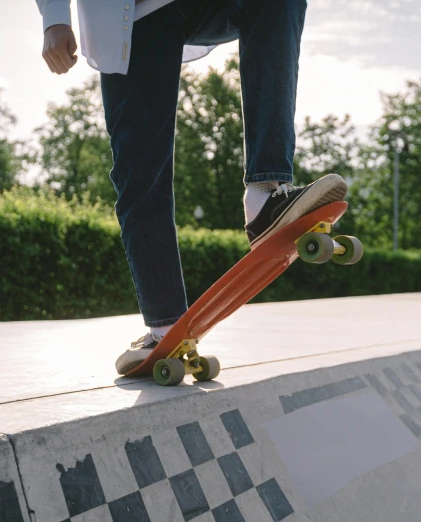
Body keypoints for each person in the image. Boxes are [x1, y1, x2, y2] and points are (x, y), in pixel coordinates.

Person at [35, 0, 348, 374]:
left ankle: (267, 195)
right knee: (141, 171)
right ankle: (164, 325)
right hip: (129, 20)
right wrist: (54, 19)